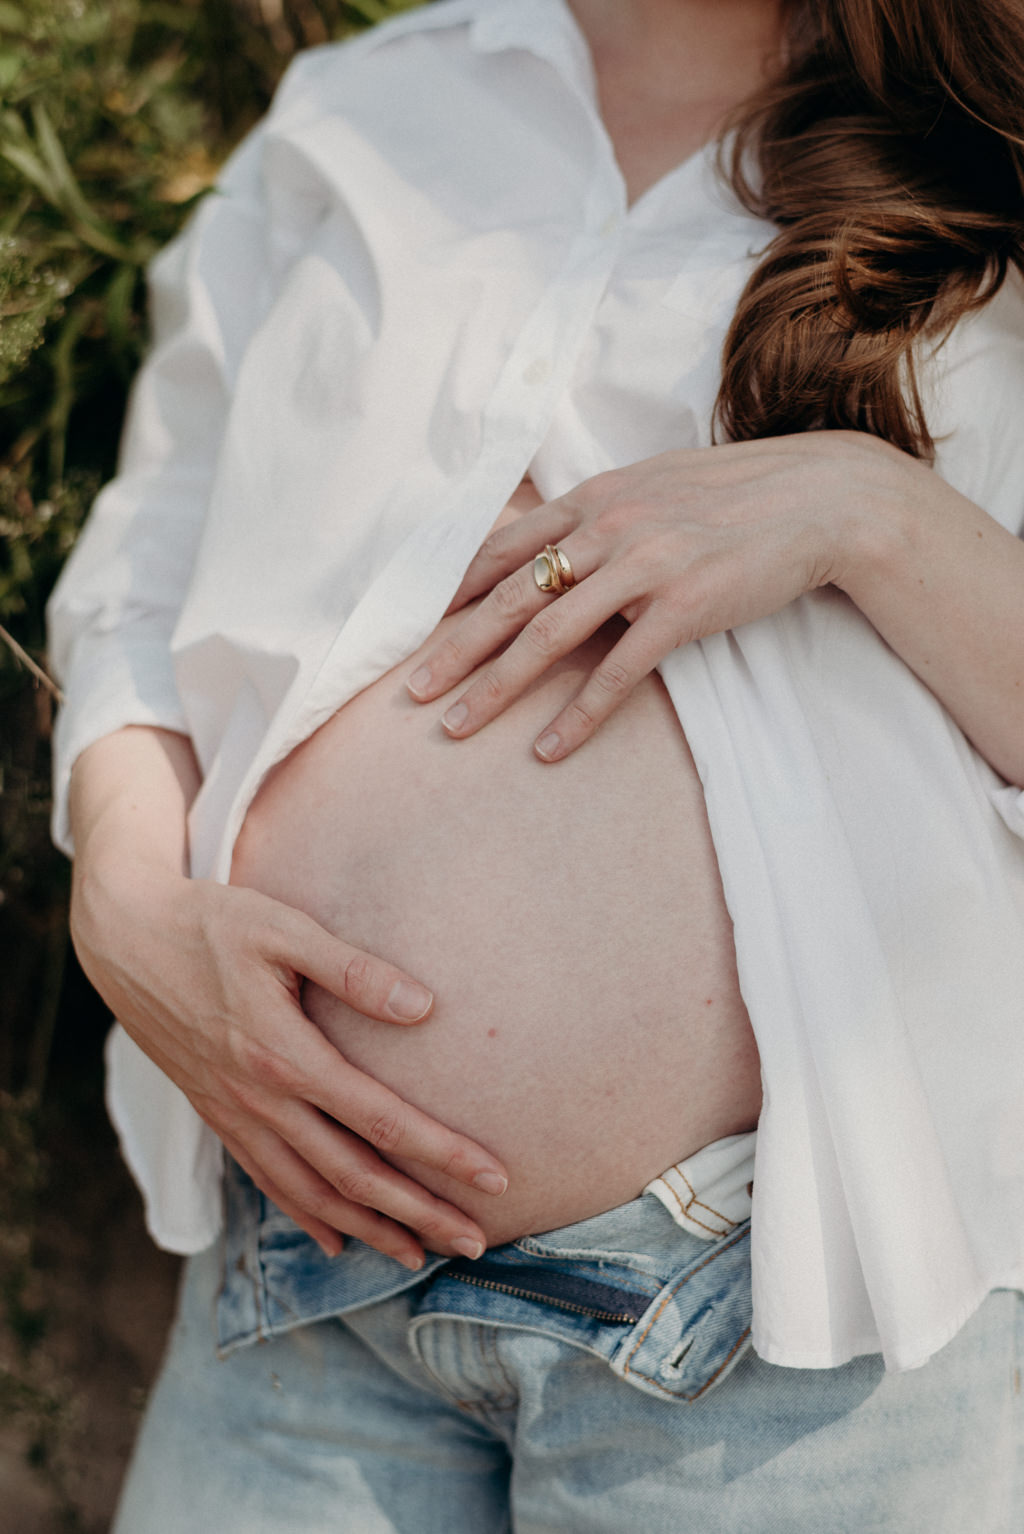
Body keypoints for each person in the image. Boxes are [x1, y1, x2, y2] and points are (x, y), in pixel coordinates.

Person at [48, 0, 1024, 1527]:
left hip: (795, 1334)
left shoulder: (994, 148)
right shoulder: (367, 109)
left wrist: (867, 509)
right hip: (306, 1270)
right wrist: (124, 905)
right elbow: (143, 577)